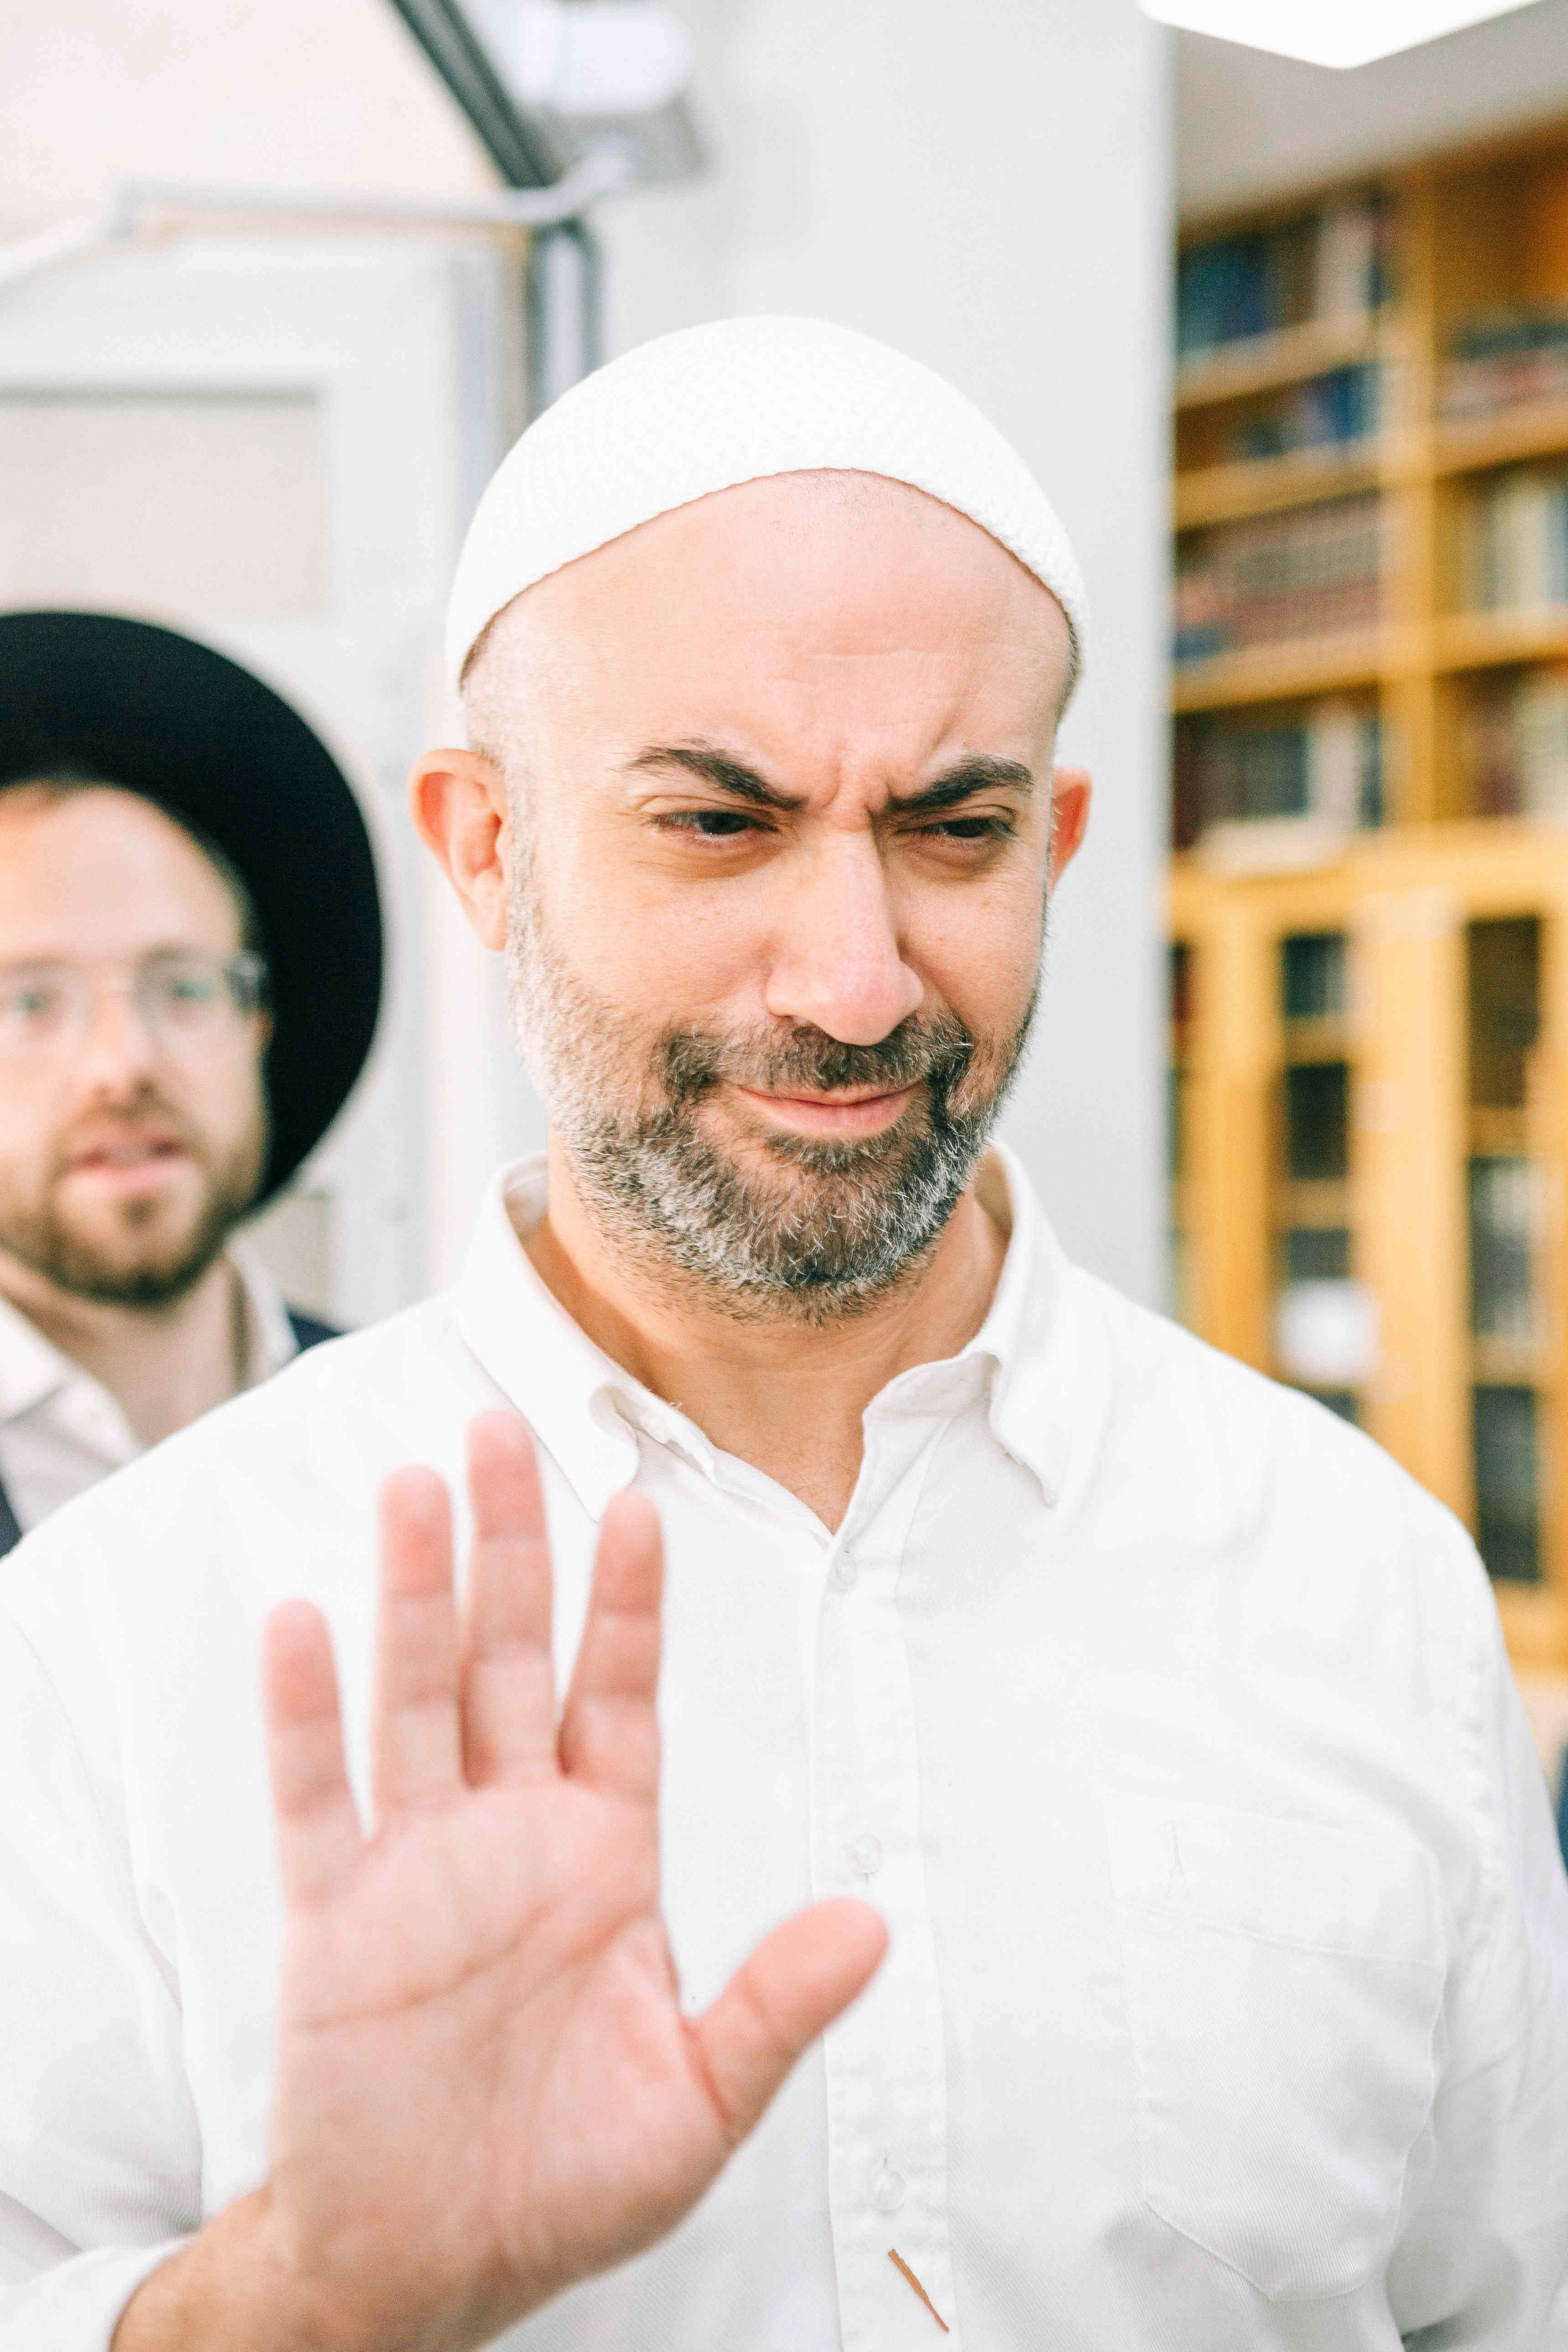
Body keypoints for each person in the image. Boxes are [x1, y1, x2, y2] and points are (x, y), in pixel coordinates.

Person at [0, 316, 1564, 2352]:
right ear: (485, 845)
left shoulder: (1363, 1582)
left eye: (954, 829)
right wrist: (299, 2300)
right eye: (718, 823)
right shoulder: (132, 1625)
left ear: (1061, 841)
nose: (851, 981)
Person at [0, 613, 382, 1548]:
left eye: (182, 986)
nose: (123, 1066)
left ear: (257, 1021)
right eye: (30, 1003)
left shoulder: (422, 1430)